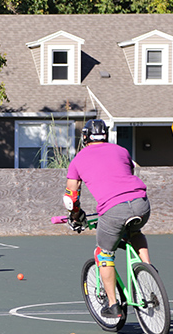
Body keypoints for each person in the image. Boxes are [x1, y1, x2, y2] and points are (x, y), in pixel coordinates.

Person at [63, 119, 151, 318]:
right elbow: (126, 175)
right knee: (135, 231)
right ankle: (148, 271)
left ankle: (113, 305)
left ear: (85, 137)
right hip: (141, 204)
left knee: (104, 254)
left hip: (112, 211)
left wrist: (75, 216)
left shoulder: (78, 160)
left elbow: (71, 198)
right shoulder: (122, 151)